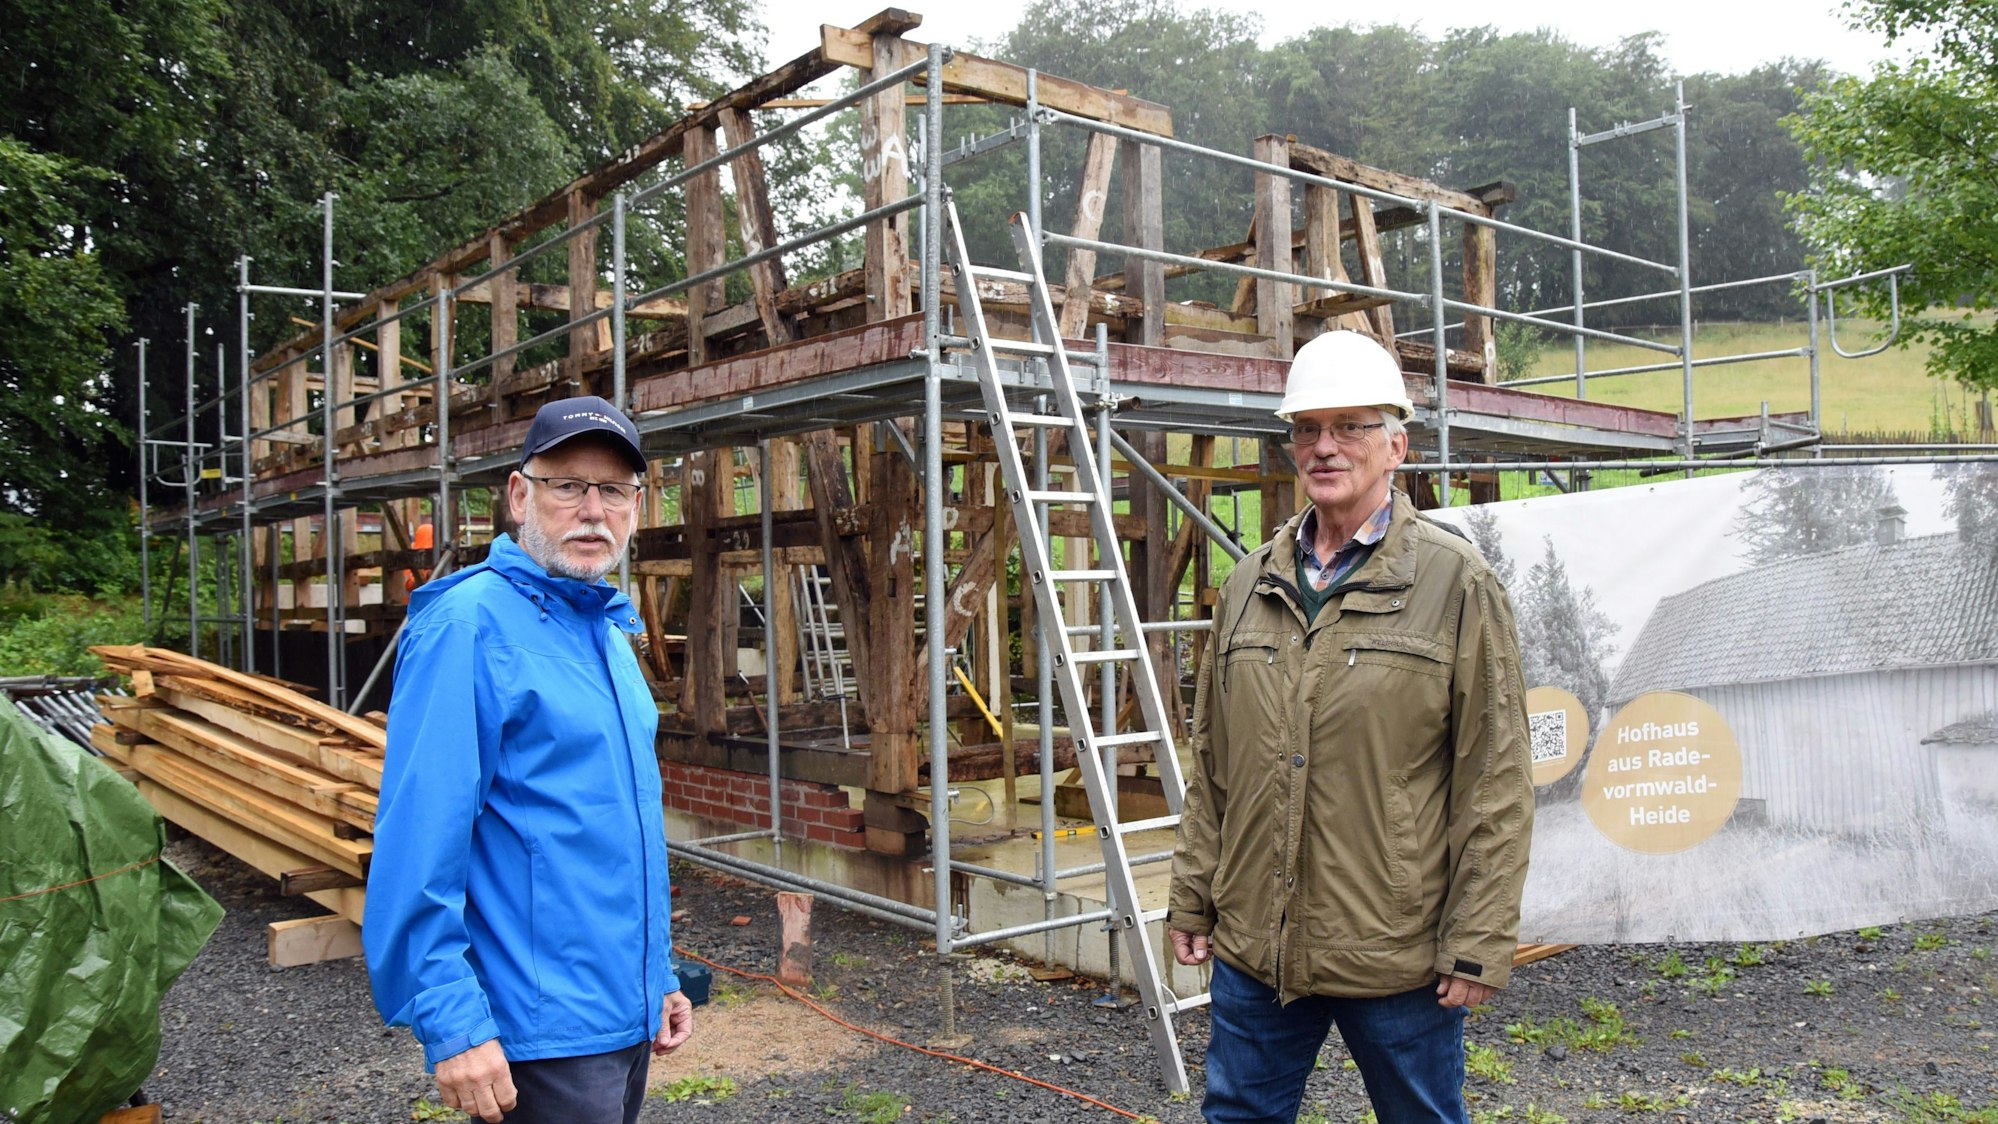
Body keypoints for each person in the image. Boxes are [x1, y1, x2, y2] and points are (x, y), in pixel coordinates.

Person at [1166, 331, 1534, 1124]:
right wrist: (1193, 898)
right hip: (1258, 949)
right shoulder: (1248, 584)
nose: (1325, 448)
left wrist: (1477, 939)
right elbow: (1215, 767)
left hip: (1395, 953)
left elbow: (1494, 777)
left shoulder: (1455, 582)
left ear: (1397, 444)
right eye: (1307, 429)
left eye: (1352, 427)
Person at [364, 395, 689, 1124]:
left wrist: (655, 977)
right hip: (536, 1034)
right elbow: (420, 842)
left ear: (636, 504)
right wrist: (453, 1024)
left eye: (613, 490)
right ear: (520, 495)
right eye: (568, 485)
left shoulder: (601, 627)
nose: (593, 510)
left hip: (615, 1017)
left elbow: (606, 831)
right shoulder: (469, 627)